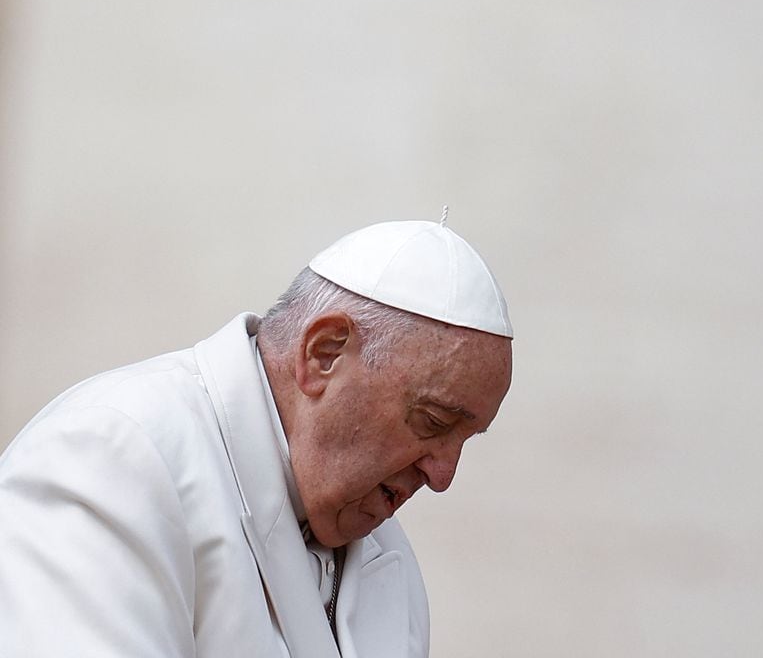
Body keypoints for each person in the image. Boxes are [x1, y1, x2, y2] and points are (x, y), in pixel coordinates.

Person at [0, 219, 514, 657]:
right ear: (324, 354)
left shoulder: (386, 553)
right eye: (432, 421)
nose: (443, 476)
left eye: (467, 438)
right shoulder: (111, 459)